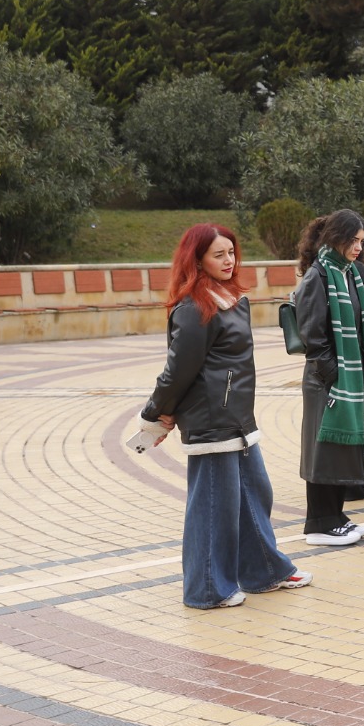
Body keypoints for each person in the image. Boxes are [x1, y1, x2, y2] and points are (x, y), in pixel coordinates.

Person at [136, 223, 310, 609]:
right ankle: (207, 589)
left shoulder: (230, 299)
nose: (229, 260)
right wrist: (155, 413)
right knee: (214, 509)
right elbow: (178, 372)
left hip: (238, 419)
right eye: (218, 254)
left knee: (253, 496)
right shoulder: (194, 308)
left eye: (231, 252)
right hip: (212, 421)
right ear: (197, 260)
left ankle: (264, 571)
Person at [294, 210, 364, 546]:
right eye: (353, 241)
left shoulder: (351, 274)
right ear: (335, 238)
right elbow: (313, 337)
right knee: (324, 451)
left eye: (362, 241)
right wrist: (333, 375)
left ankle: (335, 516)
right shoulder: (318, 276)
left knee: (341, 449)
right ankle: (318, 523)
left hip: (347, 378)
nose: (359, 247)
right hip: (327, 381)